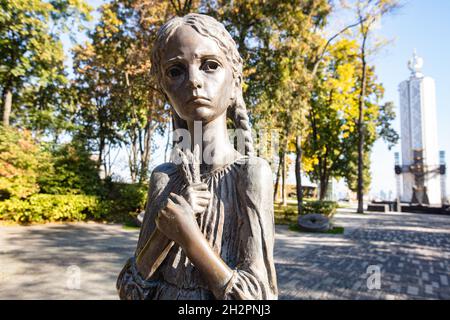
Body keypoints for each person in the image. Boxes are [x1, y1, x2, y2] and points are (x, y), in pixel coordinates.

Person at [117, 13, 277, 300]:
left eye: (210, 66)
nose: (193, 81)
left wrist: (188, 236)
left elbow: (256, 300)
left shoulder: (250, 174)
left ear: (235, 82)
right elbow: (131, 291)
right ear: (165, 90)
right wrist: (163, 234)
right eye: (176, 71)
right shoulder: (163, 178)